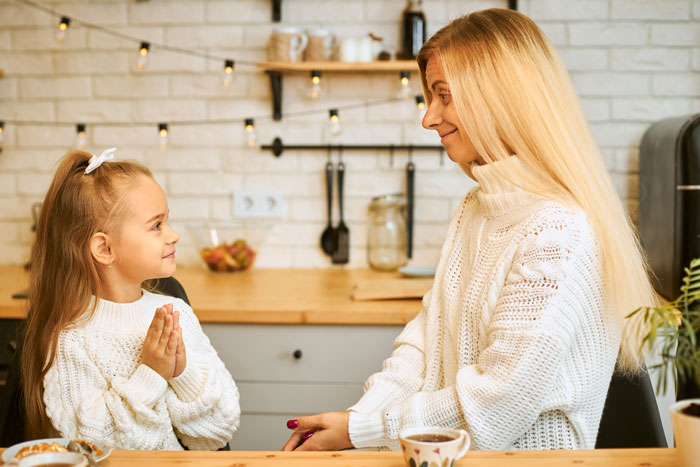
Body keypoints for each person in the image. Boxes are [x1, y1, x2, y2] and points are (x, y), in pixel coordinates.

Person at [282, 8, 656, 452]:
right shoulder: (476, 207)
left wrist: (361, 431)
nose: (429, 118)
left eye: (444, 96)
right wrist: (359, 419)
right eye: (430, 97)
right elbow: (425, 341)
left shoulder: (558, 232)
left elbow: (494, 405)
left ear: (501, 97)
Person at [20, 149, 241, 450]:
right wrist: (150, 376)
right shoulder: (72, 340)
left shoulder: (177, 314)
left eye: (167, 221)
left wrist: (182, 370)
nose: (173, 234)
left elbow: (217, 431)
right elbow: (89, 447)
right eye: (156, 225)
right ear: (105, 249)